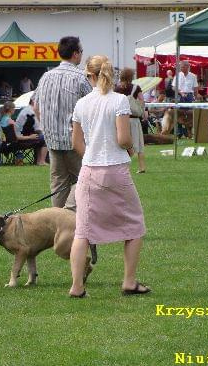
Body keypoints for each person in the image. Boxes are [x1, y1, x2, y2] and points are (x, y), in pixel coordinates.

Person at [68, 55, 149, 298]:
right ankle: (129, 281)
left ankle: (76, 287)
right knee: (135, 226)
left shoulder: (82, 103)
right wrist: (132, 150)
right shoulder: (120, 101)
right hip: (115, 171)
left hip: (89, 172)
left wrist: (91, 157)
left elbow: (76, 143)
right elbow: (124, 139)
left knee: (82, 232)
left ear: (90, 76)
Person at [33, 36, 92, 211]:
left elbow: (36, 107)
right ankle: (71, 217)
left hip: (52, 140)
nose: (81, 55)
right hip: (75, 141)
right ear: (75, 54)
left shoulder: (45, 76)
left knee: (58, 185)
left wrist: (46, 126)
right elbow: (91, 107)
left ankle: (57, 224)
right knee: (85, 180)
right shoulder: (81, 77)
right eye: (81, 51)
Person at [115, 68, 146, 173]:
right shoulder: (136, 88)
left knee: (123, 144)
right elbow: (142, 100)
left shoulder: (117, 88)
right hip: (134, 119)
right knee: (139, 144)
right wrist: (141, 111)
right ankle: (142, 167)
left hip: (121, 120)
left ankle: (124, 167)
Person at [0, 101, 47, 165]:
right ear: (11, 110)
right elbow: (16, 137)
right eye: (14, 109)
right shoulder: (10, 122)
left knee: (38, 137)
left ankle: (38, 161)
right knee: (43, 138)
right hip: (17, 144)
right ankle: (41, 161)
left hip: (8, 144)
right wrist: (30, 137)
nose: (14, 110)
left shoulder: (3, 120)